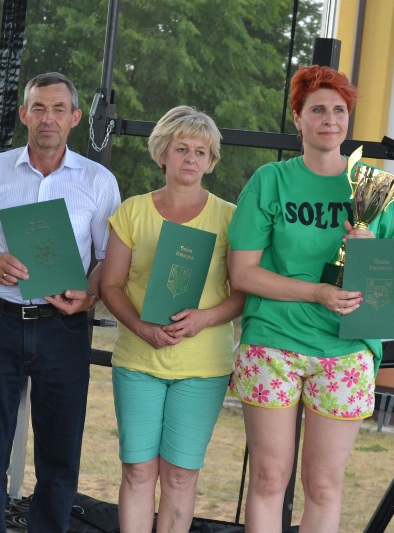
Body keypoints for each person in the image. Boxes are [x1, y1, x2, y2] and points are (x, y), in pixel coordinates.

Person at [227, 65, 394, 533]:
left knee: (324, 486)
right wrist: (317, 293)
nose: (330, 119)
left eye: (339, 110)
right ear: (298, 118)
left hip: (345, 350)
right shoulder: (270, 180)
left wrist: (371, 253)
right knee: (269, 478)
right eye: (318, 110)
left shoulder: (375, 188)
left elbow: (391, 290)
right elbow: (242, 273)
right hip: (274, 342)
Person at [0, 71, 121, 533]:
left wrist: (89, 295)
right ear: (23, 114)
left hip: (63, 328)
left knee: (59, 459)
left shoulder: (99, 181)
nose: (48, 118)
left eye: (59, 109)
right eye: (39, 108)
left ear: (76, 118)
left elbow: (109, 259)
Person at [101, 106, 245, 532]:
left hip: (203, 366)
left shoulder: (230, 217)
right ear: (162, 154)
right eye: (181, 149)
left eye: (201, 152)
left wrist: (204, 318)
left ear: (212, 162)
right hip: (137, 361)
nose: (191, 158)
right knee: (138, 471)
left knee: (180, 476)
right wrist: (141, 327)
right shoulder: (131, 211)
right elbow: (110, 286)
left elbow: (242, 293)